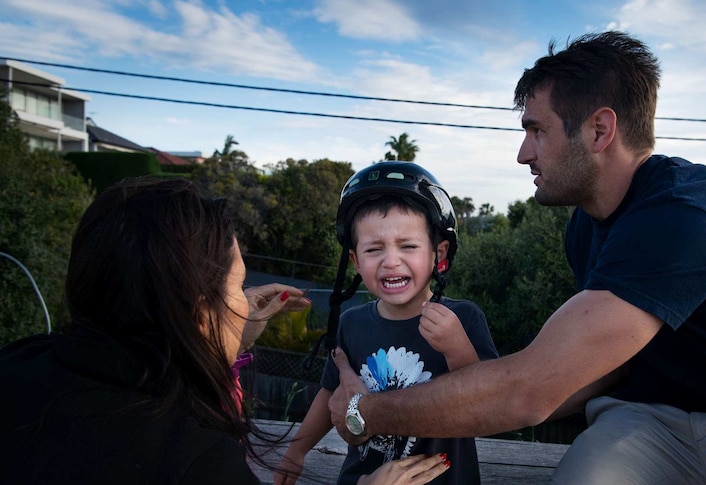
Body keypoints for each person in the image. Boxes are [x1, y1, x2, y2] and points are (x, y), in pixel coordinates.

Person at [327, 31, 706, 483]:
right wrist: (515, 388)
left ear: (600, 130)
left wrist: (364, 410)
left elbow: (531, 391)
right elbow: (583, 376)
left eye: (537, 130)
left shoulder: (692, 215)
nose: (524, 153)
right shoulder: (585, 225)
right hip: (643, 424)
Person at [0, 177, 449, 485]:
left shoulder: (20, 362)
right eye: (237, 285)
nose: (246, 298)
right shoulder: (195, 460)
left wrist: (228, 337)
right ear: (198, 312)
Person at [275, 162, 499, 485]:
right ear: (355, 260)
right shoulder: (351, 324)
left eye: (408, 246)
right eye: (373, 249)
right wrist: (296, 452)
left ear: (440, 253)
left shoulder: (464, 319)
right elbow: (330, 396)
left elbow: (488, 402)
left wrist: (458, 348)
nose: (390, 260)